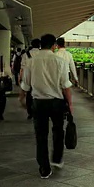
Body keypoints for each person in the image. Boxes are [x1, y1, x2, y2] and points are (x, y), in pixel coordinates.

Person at [21, 34, 71, 179]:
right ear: (54, 45)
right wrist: (70, 104)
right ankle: (57, 158)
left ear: (41, 44)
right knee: (58, 131)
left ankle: (44, 168)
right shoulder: (60, 61)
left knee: (41, 135)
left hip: (39, 102)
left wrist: (22, 97)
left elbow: (26, 84)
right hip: (56, 102)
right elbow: (65, 85)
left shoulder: (31, 61)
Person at [54, 38, 78, 112]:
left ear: (57, 45)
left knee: (58, 91)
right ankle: (69, 106)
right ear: (64, 44)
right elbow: (72, 67)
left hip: (56, 75)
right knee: (67, 90)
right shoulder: (69, 54)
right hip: (67, 74)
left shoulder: (55, 54)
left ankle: (59, 107)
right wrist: (75, 78)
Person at [20, 39, 41, 119]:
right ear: (39, 45)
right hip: (39, 78)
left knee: (29, 95)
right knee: (38, 96)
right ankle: (37, 112)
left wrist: (20, 77)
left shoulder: (26, 54)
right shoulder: (41, 54)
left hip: (29, 77)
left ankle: (30, 113)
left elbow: (22, 67)